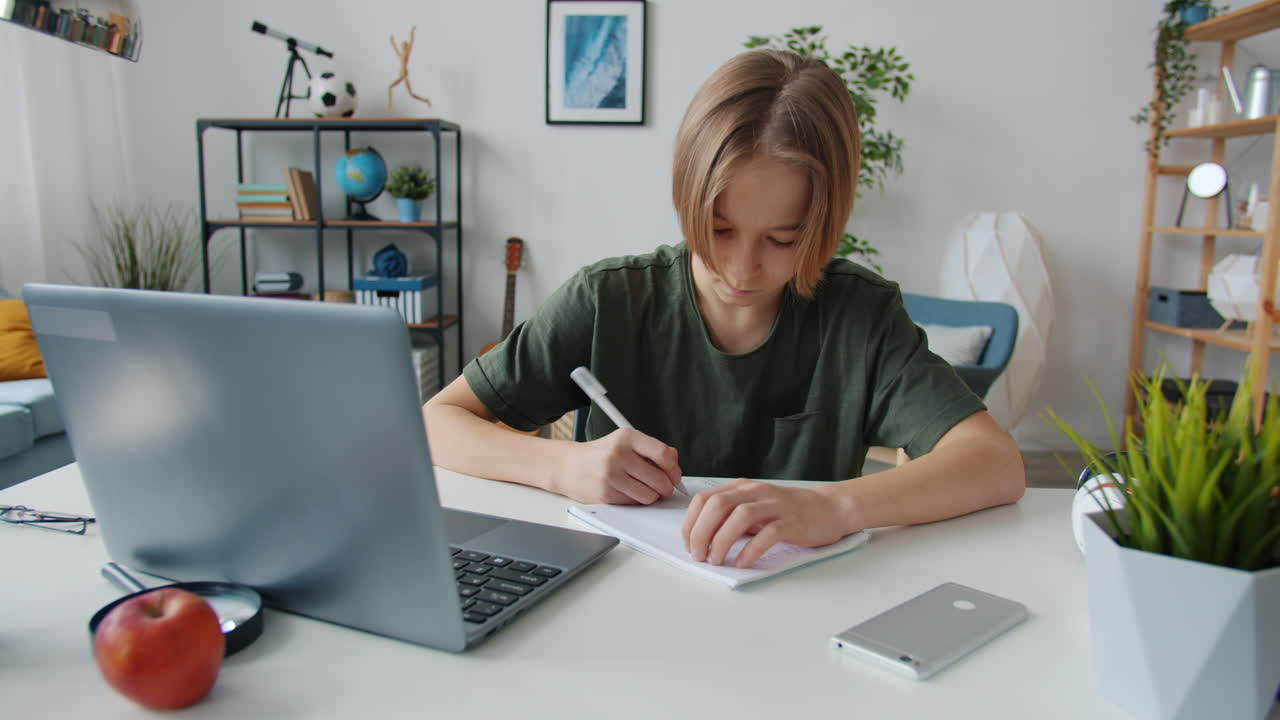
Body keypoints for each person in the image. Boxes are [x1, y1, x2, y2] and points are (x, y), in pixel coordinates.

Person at [423, 48, 1025, 569]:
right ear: (686, 196)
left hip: (798, 612)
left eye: (782, 240)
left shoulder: (858, 317)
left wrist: (835, 505)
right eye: (719, 228)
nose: (740, 269)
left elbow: (995, 464)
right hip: (617, 605)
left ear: (826, 222)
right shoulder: (611, 299)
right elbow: (435, 423)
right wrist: (563, 466)